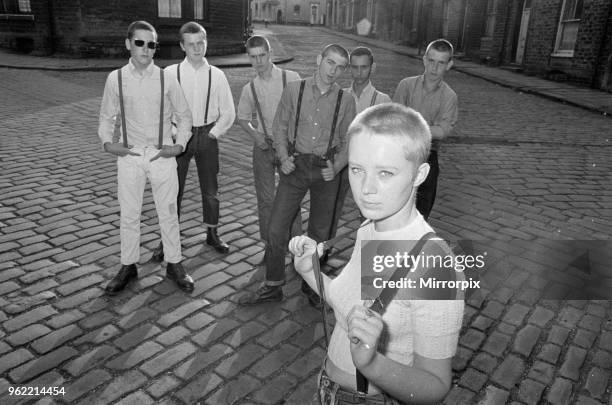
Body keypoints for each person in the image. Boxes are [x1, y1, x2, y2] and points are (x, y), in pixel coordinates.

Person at [289, 103, 464, 404]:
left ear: (419, 174)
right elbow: (350, 309)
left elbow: (434, 387)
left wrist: (372, 364)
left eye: (385, 172)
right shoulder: (370, 228)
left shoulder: (435, 266)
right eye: (357, 169)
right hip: (328, 387)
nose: (366, 188)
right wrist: (309, 271)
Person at [239, 44, 356, 305]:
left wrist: (336, 167)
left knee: (318, 232)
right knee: (277, 226)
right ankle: (273, 285)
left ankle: (311, 286)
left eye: (339, 66)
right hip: (296, 166)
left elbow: (349, 140)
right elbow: (279, 127)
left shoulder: (346, 100)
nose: (332, 70)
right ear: (319, 59)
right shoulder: (295, 90)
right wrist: (283, 159)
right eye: (329, 62)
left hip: (326, 171)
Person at [99, 20, 194, 294]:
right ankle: (128, 266)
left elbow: (184, 115)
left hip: (161, 155)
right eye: (140, 42)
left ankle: (174, 263)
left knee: (168, 212)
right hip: (129, 155)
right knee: (129, 214)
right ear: (129, 44)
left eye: (151, 44)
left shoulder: (166, 78)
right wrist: (108, 143)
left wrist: (179, 145)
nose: (146, 49)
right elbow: (107, 116)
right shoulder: (115, 78)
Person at [151, 21, 236, 261]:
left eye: (201, 43)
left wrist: (214, 133)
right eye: (192, 44)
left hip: (207, 135)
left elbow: (228, 111)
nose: (197, 48)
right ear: (182, 46)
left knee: (210, 190)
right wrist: (173, 133)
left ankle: (212, 232)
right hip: (179, 137)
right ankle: (167, 240)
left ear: (206, 42)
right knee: (172, 191)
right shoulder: (170, 73)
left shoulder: (217, 75)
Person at [236, 35, 302, 260]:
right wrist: (256, 135)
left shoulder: (291, 78)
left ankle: (296, 247)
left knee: (291, 198)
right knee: (265, 200)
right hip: (264, 146)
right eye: (253, 57)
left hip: (289, 147)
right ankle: (271, 247)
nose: (259, 61)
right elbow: (242, 118)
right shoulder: (250, 88)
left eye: (262, 55)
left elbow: (303, 110)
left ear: (270, 53)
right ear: (249, 58)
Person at [392, 39, 458, 220]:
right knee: (394, 207)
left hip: (429, 157)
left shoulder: (449, 96)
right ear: (424, 59)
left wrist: (412, 126)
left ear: (449, 65)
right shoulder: (406, 86)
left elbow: (443, 131)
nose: (434, 68)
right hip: (401, 154)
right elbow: (396, 120)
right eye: (431, 61)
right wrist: (428, 128)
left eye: (441, 63)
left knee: (421, 213)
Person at [330, 46, 391, 240]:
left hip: (368, 165)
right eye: (354, 67)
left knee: (368, 210)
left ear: (372, 68)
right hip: (342, 160)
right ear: (349, 68)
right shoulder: (338, 95)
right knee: (331, 206)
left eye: (363, 67)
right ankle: (325, 246)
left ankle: (367, 249)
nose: (359, 72)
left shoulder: (382, 100)